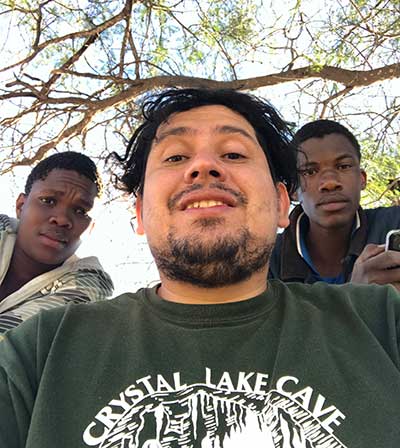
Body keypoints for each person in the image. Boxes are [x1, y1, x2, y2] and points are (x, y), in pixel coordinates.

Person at [1, 89, 400, 448]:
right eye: (176, 157)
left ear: (282, 204)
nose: (204, 166)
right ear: (139, 214)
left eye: (233, 154)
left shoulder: (382, 322)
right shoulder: (39, 351)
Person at [269, 119, 400, 286]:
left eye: (343, 166)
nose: (330, 182)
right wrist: (359, 298)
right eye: (310, 171)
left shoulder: (393, 225)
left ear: (362, 179)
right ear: (293, 190)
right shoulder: (267, 261)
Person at [0, 151, 114, 333]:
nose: (61, 219)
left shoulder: (89, 287)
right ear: (21, 206)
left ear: (90, 228)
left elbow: (17, 343)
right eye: (48, 200)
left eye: (80, 211)